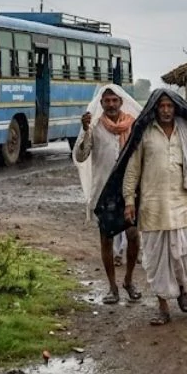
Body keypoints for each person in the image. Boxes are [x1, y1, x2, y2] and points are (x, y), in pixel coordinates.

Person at [119, 91, 187, 325]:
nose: (166, 110)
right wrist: (129, 200)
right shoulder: (145, 132)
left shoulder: (186, 129)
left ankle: (182, 289)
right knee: (157, 258)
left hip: (182, 201)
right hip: (154, 205)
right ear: (155, 108)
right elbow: (132, 169)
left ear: (176, 107)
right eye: (161, 106)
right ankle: (163, 307)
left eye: (170, 105)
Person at [74, 85, 142, 305]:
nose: (111, 105)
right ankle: (112, 287)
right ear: (101, 104)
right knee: (106, 239)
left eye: (114, 100)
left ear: (121, 102)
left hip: (128, 190)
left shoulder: (133, 125)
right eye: (107, 101)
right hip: (104, 190)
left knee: (133, 235)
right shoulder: (93, 127)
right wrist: (85, 131)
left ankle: (129, 280)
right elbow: (81, 156)